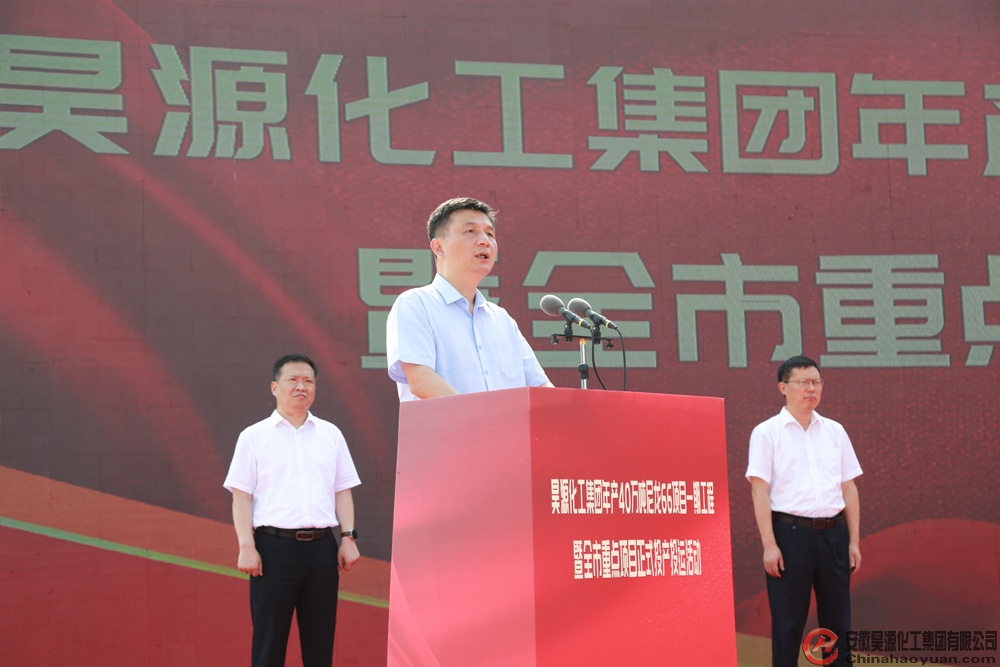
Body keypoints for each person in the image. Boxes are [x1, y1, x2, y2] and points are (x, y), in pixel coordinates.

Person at [224, 353, 362, 667]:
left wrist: (348, 538)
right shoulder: (254, 437)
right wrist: (246, 546)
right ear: (275, 387)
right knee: (269, 645)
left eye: (308, 381)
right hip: (273, 550)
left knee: (320, 644)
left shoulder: (330, 434)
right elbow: (241, 498)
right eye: (293, 380)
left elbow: (343, 490)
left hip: (322, 549)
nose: (302, 386)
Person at [746, 355, 862, 667]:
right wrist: (770, 545)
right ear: (783, 387)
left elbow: (849, 488)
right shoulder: (767, 433)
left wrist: (853, 541)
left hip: (834, 535)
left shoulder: (835, 431)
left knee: (838, 624)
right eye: (803, 382)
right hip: (790, 536)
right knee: (788, 625)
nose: (811, 388)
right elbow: (759, 491)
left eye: (816, 382)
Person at [386, 196, 554, 400]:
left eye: (490, 234)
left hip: (505, 423)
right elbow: (421, 380)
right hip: (450, 423)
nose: (485, 241)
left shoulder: (502, 320)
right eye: (470, 231)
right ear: (438, 247)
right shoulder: (415, 304)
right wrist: (483, 417)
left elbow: (540, 386)